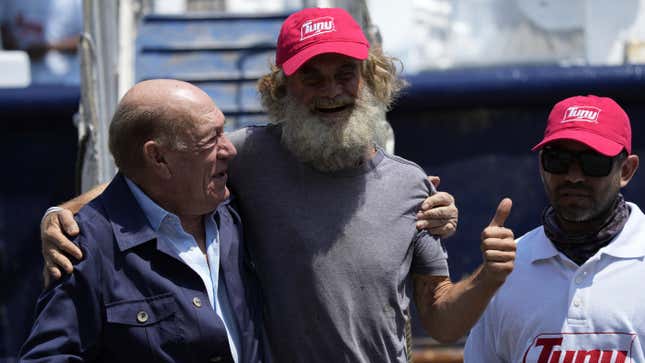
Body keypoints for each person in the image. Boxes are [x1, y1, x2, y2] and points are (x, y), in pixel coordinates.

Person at [41, 8, 516, 362]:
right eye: (311, 77)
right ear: (282, 88)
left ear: (370, 79)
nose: (331, 90)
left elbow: (441, 319)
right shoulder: (245, 155)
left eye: (345, 74)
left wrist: (490, 275)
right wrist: (61, 215)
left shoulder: (411, 183)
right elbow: (147, 174)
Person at [20, 80, 263, 362]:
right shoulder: (88, 248)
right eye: (210, 139)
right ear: (158, 157)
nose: (229, 150)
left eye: (224, 132)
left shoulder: (233, 204)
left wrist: (56, 211)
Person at [464, 95, 642, 362]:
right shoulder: (507, 269)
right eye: (558, 160)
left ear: (626, 170)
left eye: (593, 162)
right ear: (541, 166)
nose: (573, 176)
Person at [1, 0, 82, 85]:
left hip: (65, 82)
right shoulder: (9, 2)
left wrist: (47, 48)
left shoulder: (73, 2)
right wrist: (21, 53)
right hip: (20, 82)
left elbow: (86, 39)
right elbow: (5, 30)